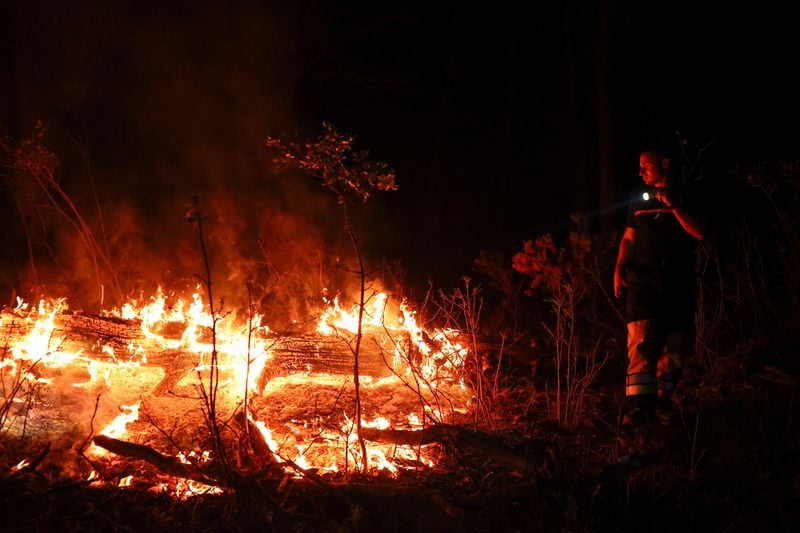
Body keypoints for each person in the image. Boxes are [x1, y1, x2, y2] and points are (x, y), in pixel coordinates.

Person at [614, 148, 705, 428]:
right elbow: (629, 238)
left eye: (647, 166)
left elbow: (699, 232)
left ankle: (662, 402)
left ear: (664, 164)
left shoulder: (685, 196)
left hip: (679, 280)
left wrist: (673, 205)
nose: (641, 172)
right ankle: (639, 407)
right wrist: (618, 270)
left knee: (675, 344)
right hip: (643, 279)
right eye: (639, 167)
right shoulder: (638, 201)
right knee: (639, 338)